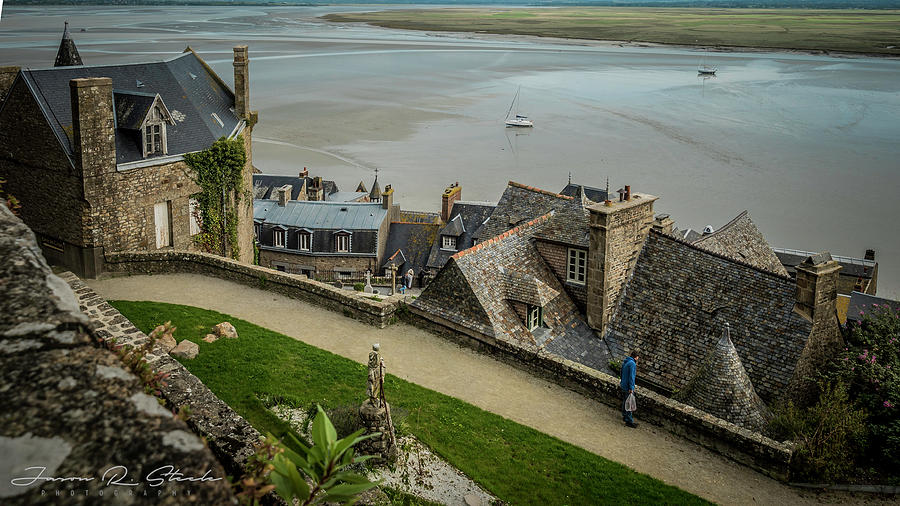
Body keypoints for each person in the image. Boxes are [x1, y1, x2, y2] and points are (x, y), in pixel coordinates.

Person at [620, 350, 639, 428]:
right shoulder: (632, 364)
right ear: (636, 357)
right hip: (628, 387)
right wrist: (631, 388)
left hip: (623, 385)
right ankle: (629, 421)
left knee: (625, 401)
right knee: (629, 403)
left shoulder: (626, 361)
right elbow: (631, 377)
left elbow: (621, 372)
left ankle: (625, 416)